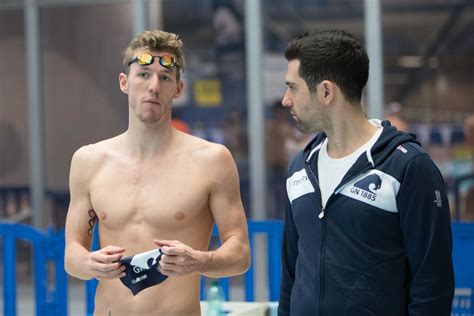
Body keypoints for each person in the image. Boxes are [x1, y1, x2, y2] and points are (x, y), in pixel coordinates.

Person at [64, 30, 250, 316]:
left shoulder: (212, 161)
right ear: (124, 82)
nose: (153, 86)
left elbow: (240, 255)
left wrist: (198, 261)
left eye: (164, 78)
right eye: (143, 75)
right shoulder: (89, 161)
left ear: (178, 89)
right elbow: (71, 255)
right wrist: (90, 264)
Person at [278, 30, 454, 316]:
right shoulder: (300, 167)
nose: (286, 100)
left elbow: (432, 286)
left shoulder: (407, 168)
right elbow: (290, 276)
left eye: (292, 88)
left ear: (325, 92)